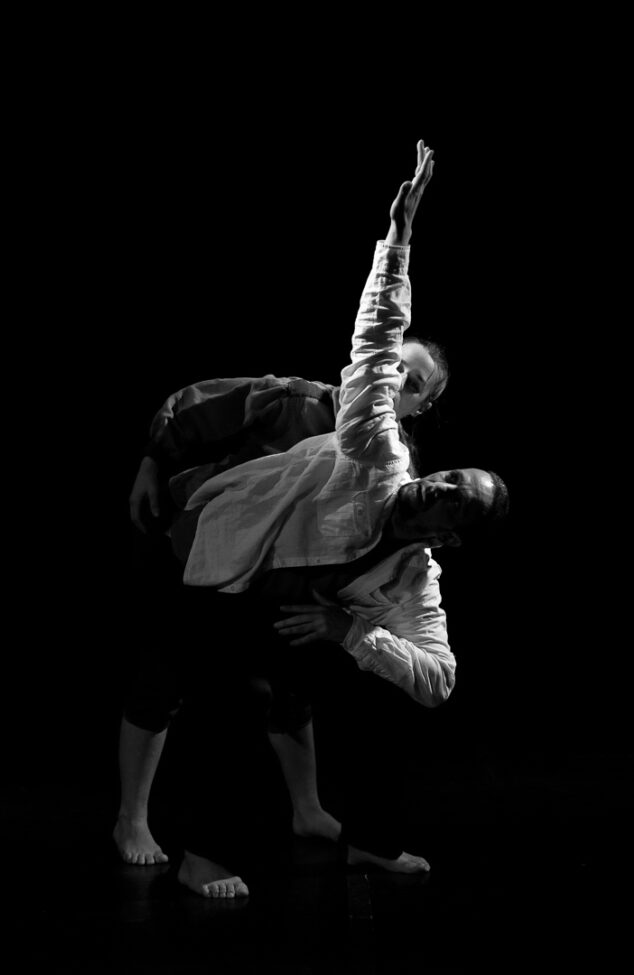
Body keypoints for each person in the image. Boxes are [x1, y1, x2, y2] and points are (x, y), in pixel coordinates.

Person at [169, 142, 508, 897]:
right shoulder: (377, 456)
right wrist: (399, 237)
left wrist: (352, 633)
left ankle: (370, 842)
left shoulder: (415, 575)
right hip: (224, 568)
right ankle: (202, 854)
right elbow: (375, 347)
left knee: (383, 698)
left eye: (453, 499)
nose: (439, 486)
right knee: (242, 698)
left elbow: (439, 680)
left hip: (287, 617)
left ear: (448, 535)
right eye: (449, 477)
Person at [116, 248, 449, 862]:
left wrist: (350, 621)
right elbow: (198, 405)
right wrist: (151, 462)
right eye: (394, 366)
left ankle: (307, 810)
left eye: (414, 383)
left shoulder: (393, 470)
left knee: (293, 693)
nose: (397, 381)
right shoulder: (298, 402)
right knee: (165, 677)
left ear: (421, 406)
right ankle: (132, 821)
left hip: (280, 588)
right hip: (201, 555)